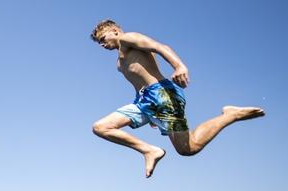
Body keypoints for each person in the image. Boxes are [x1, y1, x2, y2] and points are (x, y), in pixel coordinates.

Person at [90, 20, 265, 178]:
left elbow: (159, 46)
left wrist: (179, 66)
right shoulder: (119, 63)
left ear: (114, 30)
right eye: (99, 43)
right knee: (101, 127)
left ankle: (230, 115)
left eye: (103, 38)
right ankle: (149, 150)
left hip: (163, 94)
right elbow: (138, 83)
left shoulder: (128, 38)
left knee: (188, 148)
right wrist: (151, 115)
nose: (102, 44)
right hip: (144, 101)